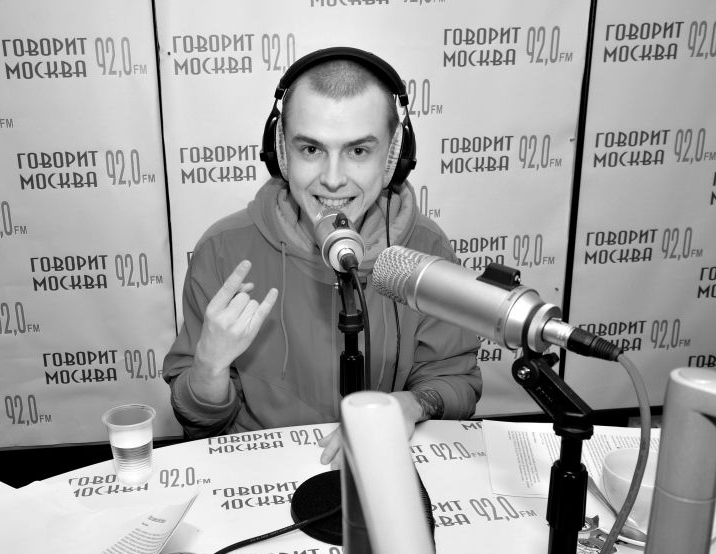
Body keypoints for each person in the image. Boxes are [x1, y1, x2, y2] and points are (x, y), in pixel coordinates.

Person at [162, 47, 482, 465]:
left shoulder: (427, 250)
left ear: (393, 157)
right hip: (261, 476)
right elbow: (201, 425)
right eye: (311, 150)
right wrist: (208, 367)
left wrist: (411, 404)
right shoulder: (223, 250)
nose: (332, 180)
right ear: (281, 151)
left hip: (379, 465)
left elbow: (456, 382)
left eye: (358, 151)